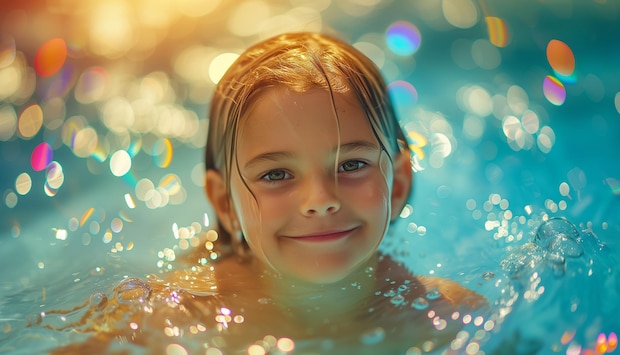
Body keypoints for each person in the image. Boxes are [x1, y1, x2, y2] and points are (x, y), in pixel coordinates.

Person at [45, 32, 486, 354]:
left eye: (352, 165)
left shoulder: (443, 313)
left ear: (400, 183)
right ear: (224, 204)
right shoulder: (177, 315)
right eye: (276, 175)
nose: (319, 199)